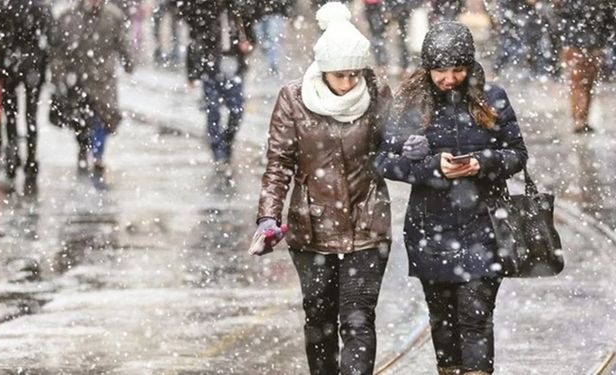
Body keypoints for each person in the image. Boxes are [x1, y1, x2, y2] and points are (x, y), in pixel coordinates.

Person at [375, 22, 528, 375]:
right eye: (440, 70)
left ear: (469, 66)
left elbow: (517, 153)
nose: (448, 78)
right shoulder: (411, 104)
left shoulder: (493, 98)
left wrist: (480, 163)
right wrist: (432, 168)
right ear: (427, 68)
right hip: (431, 230)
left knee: (476, 317)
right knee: (443, 320)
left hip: (485, 227)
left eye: (457, 69)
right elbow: (384, 160)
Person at [254, 2, 393, 374]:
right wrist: (268, 216)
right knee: (319, 319)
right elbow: (279, 163)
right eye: (339, 75)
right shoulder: (294, 99)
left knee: (358, 318)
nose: (348, 83)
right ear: (322, 70)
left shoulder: (377, 93)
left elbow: (391, 148)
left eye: (354, 74)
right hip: (311, 229)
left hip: (367, 226)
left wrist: (410, 147)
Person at [50, 0, 133, 186]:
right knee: (80, 119)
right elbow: (59, 50)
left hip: (104, 78)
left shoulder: (113, 16)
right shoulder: (69, 17)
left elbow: (123, 42)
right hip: (78, 78)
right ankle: (83, 149)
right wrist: (59, 76)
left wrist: (129, 60)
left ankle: (97, 155)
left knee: (104, 117)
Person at [0, 0, 51, 195]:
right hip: (29, 65)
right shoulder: (36, 6)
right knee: (29, 116)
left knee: (12, 114)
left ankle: (14, 156)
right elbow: (49, 34)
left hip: (9, 63)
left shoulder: (0, 6)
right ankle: (30, 160)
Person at [183, 0, 254, 172]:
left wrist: (248, 45)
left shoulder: (238, 11)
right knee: (212, 110)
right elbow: (194, 41)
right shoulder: (202, 10)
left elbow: (251, 35)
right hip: (211, 67)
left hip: (234, 66)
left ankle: (227, 142)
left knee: (236, 110)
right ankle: (218, 151)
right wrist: (192, 73)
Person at [554, 0, 615, 133]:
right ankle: (580, 119)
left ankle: (580, 119)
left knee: (582, 83)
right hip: (586, 40)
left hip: (582, 39)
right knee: (583, 83)